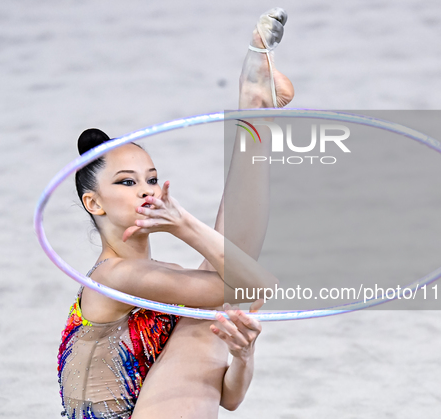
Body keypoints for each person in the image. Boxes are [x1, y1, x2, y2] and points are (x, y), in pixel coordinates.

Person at [57, 7, 294, 419]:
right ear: (93, 204)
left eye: (151, 179)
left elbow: (229, 399)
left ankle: (254, 115)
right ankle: (253, 115)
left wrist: (243, 355)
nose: (147, 190)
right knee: (221, 296)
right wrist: (184, 225)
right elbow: (254, 287)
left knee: (217, 296)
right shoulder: (115, 276)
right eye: (127, 182)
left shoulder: (160, 279)